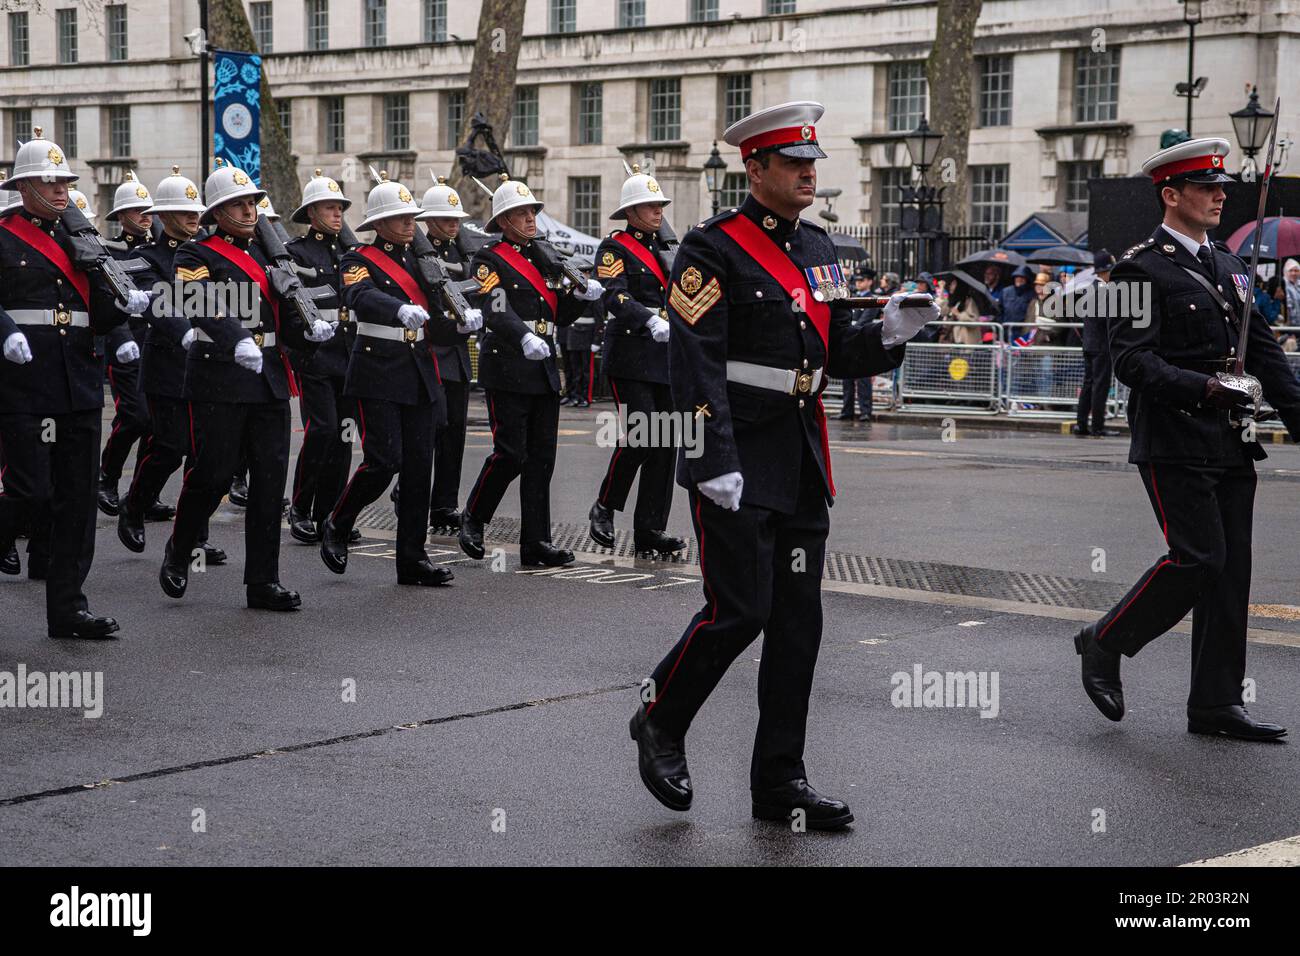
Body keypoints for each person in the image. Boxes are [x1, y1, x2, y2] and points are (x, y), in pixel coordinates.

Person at [630, 101, 937, 828]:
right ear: (755, 167)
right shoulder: (710, 251)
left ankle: (779, 782)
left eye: (812, 163)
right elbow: (694, 362)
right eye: (793, 163)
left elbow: (830, 353)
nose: (807, 173)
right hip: (736, 455)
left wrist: (889, 334)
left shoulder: (822, 250)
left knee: (798, 625)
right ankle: (660, 718)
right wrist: (709, 456)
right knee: (740, 611)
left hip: (798, 456)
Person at [1075, 138, 1300, 740]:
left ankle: (1216, 704)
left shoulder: (1230, 267)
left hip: (1229, 443)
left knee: (1231, 572)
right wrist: (1208, 389)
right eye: (1206, 187)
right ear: (1171, 195)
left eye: (1222, 186)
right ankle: (1104, 641)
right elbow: (1131, 363)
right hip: (1173, 438)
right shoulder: (1136, 268)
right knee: (1198, 559)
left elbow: (1266, 355)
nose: (1220, 195)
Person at [159, 161, 334, 610]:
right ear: (216, 212)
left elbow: (282, 314)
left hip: (269, 376)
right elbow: (196, 301)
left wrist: (308, 332)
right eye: (237, 203)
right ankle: (180, 549)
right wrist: (236, 338)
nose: (249, 209)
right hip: (220, 376)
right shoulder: (195, 255)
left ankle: (262, 581)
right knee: (213, 474)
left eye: (252, 201)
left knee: (269, 481)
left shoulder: (268, 254)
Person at [0, 127, 149, 638]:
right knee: (29, 492)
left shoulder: (81, 238)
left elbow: (94, 307)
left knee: (77, 499)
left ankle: (68, 608)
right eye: (49, 181)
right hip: (24, 382)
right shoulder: (2, 235)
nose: (62, 190)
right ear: (24, 187)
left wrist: (124, 316)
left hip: (79, 382)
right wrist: (5, 332)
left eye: (64, 181)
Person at [320, 173, 481, 586]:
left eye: (412, 216)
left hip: (419, 370)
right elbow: (358, 297)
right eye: (401, 217)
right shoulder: (357, 258)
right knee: (383, 462)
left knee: (417, 470)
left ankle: (412, 558)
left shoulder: (422, 263)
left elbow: (435, 326)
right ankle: (339, 520)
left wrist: (463, 324)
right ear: (378, 223)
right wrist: (397, 309)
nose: (411, 223)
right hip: (377, 370)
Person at [458, 175, 603, 567]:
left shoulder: (543, 255)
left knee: (541, 459)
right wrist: (523, 336)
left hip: (541, 367)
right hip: (507, 363)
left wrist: (581, 297)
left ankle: (536, 542)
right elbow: (495, 308)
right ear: (503, 220)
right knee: (510, 453)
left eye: (532, 211)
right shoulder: (489, 258)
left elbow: (558, 312)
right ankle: (474, 517)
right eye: (521, 213)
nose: (530, 218)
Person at [116, 166, 226, 566]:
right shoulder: (145, 257)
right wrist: (183, 330)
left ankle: (195, 536)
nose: (193, 217)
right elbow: (157, 303)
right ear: (163, 216)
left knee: (204, 455)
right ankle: (134, 505)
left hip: (207, 363)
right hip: (167, 363)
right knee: (170, 447)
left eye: (196, 210)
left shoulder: (210, 253)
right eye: (183, 211)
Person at [587, 165, 685, 558]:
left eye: (659, 204)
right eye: (649, 205)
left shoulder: (667, 249)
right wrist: (650, 318)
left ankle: (650, 528)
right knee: (640, 434)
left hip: (663, 355)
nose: (658, 211)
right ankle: (605, 506)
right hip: (630, 353)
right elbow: (614, 296)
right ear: (630, 212)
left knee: (665, 444)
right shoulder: (614, 248)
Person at [284, 169, 358, 545]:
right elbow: (291, 300)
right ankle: (300, 506)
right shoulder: (296, 253)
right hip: (315, 357)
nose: (337, 214)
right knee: (322, 430)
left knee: (344, 436)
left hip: (348, 358)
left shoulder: (351, 253)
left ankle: (328, 511)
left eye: (340, 208)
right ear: (311, 213)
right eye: (329, 207)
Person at [97, 172, 167, 522]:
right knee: (135, 416)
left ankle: (144, 493)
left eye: (148, 210)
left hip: (156, 344)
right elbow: (111, 299)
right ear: (120, 216)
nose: (145, 216)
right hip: (127, 343)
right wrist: (121, 339)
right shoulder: (109, 251)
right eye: (136, 210)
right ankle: (107, 477)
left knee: (155, 424)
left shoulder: (158, 250)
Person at [417, 176, 476, 534]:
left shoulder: (462, 253)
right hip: (430, 349)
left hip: (456, 352)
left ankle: (444, 504)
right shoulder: (420, 253)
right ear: (430, 221)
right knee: (432, 428)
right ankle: (412, 490)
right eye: (447, 218)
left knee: (454, 433)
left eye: (457, 219)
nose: (454, 224)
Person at [1072, 249, 1117, 437]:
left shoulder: (1089, 289)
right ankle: (1097, 425)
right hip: (1101, 345)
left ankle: (1081, 424)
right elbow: (1107, 319)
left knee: (1089, 384)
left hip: (1089, 343)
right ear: (1106, 270)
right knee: (1100, 385)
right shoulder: (1104, 291)